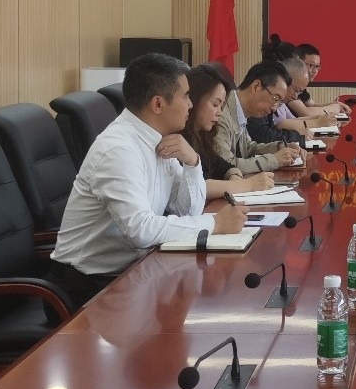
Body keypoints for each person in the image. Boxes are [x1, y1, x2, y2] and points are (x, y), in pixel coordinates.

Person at [47, 53, 249, 308]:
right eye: (186, 96)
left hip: (134, 271)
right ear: (158, 104)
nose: (190, 104)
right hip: (86, 286)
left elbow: (187, 210)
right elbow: (140, 231)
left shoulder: (159, 138)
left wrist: (192, 163)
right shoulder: (119, 150)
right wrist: (215, 223)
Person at [182, 64, 277, 199]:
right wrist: (248, 185)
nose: (219, 113)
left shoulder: (203, 136)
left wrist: (234, 174)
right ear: (194, 99)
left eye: (221, 106)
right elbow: (196, 187)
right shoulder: (178, 139)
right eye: (215, 105)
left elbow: (223, 166)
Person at [215, 60, 305, 175]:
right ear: (256, 87)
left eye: (279, 102)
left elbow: (249, 148)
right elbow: (226, 164)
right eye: (275, 98)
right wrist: (274, 160)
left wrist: (279, 147)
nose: (274, 108)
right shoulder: (221, 114)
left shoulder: (240, 109)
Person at [290, 42, 347, 118]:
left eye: (317, 66)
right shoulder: (290, 85)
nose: (315, 71)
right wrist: (333, 108)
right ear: (298, 63)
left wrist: (334, 104)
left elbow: (312, 105)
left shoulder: (301, 85)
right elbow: (306, 113)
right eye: (311, 65)